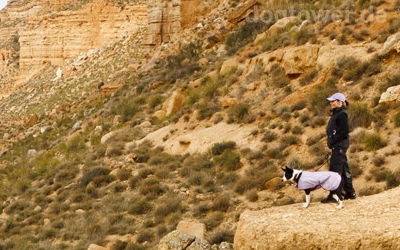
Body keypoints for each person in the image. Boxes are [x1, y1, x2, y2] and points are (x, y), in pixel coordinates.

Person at [321, 92, 356, 203]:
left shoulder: (341, 114)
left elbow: (345, 131)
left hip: (339, 145)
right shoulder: (337, 114)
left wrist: (334, 141)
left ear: (340, 102)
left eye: (333, 101)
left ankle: (335, 195)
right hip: (338, 145)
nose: (331, 103)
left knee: (335, 170)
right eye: (330, 101)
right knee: (343, 168)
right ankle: (350, 193)